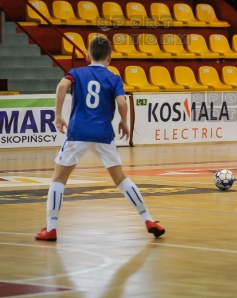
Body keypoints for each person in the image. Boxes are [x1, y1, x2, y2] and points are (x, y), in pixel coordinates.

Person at [35, 36, 165, 241]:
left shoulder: (77, 72)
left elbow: (61, 87)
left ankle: (51, 228)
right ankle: (148, 219)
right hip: (103, 135)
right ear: (110, 59)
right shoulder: (114, 78)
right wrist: (124, 121)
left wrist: (58, 114)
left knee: (58, 179)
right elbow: (122, 103)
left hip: (78, 133)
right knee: (121, 179)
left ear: (87, 57)